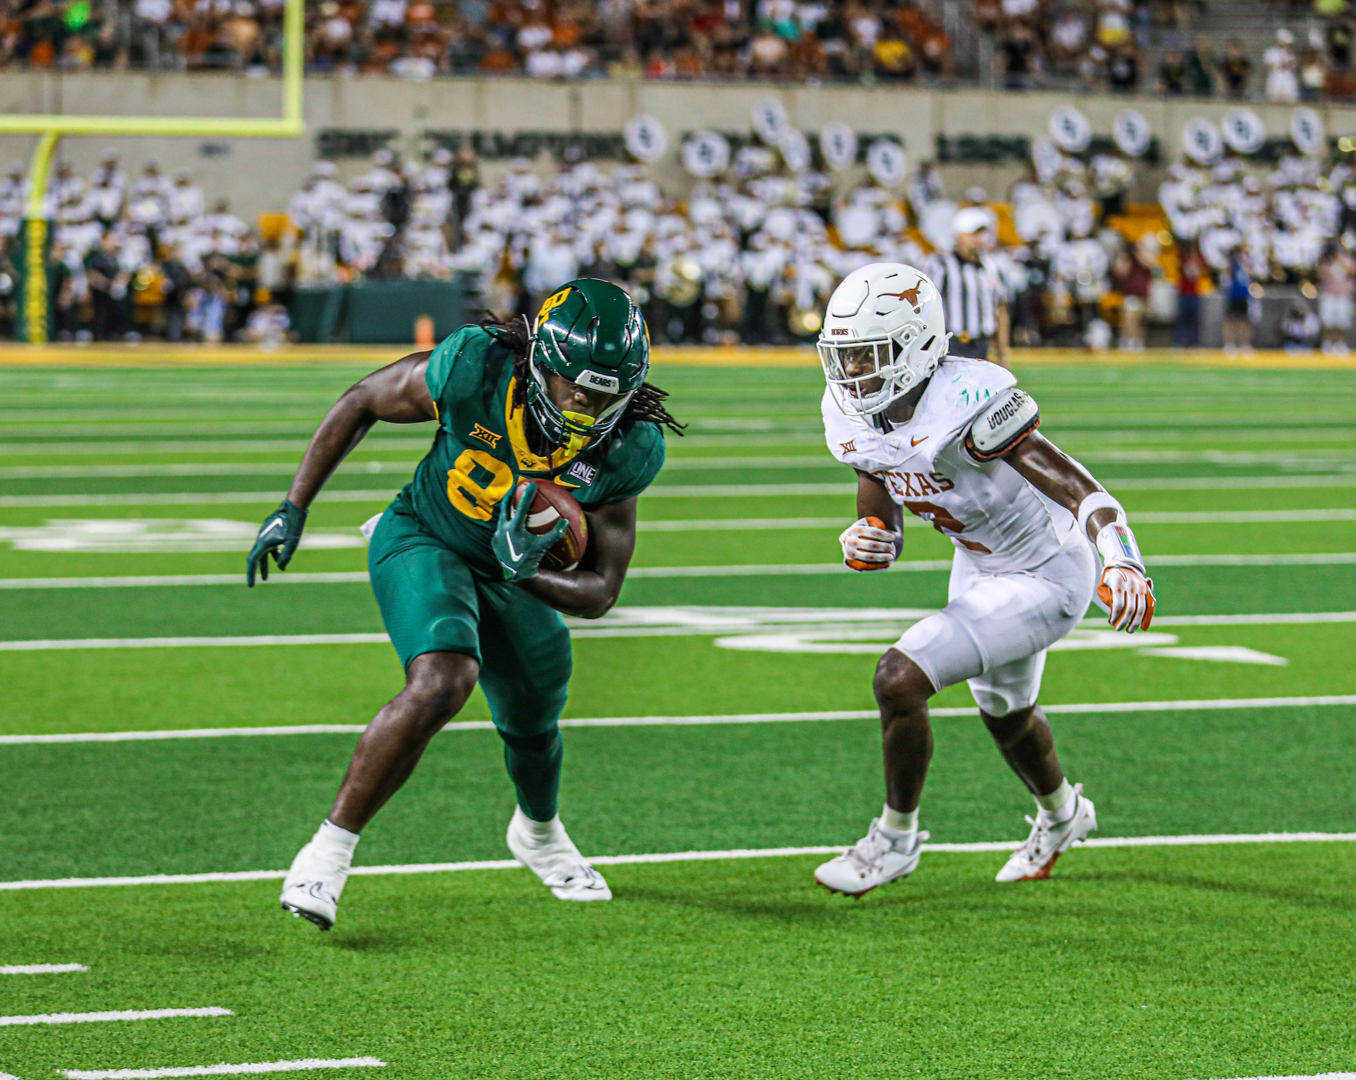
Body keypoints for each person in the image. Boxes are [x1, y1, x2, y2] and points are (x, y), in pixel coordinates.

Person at [247, 279, 682, 930]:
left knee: (536, 715)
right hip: (427, 533)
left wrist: (525, 570)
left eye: (605, 393)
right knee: (445, 676)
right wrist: (294, 506)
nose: (587, 406)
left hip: (509, 572)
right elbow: (363, 399)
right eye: (575, 389)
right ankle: (328, 851)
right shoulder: (477, 365)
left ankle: (537, 835)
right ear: (540, 365)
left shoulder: (628, 446)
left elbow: (601, 592)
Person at [809, 263, 1156, 896]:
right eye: (847, 357)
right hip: (979, 562)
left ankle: (895, 839)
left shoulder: (970, 401)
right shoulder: (853, 412)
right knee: (1007, 715)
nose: (853, 374)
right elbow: (878, 482)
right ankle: (1063, 817)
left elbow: (1081, 487)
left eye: (869, 357)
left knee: (899, 678)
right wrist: (871, 535)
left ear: (915, 348)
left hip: (1049, 572)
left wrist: (1123, 557)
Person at [927, 207, 1009, 366]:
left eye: (982, 233)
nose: (979, 238)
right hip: (949, 343)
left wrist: (1002, 352)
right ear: (959, 234)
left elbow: (1000, 308)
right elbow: (925, 305)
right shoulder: (940, 264)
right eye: (973, 233)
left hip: (981, 343)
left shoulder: (991, 266)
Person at [1318, 243, 1356, 355]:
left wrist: (1341, 261)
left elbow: (1351, 271)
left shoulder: (1347, 261)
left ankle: (1338, 342)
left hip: (1343, 295)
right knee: (1328, 321)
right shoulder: (1326, 262)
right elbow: (1324, 274)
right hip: (1329, 295)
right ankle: (1327, 342)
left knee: (1341, 322)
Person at [1174, 240, 1209, 348]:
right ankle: (1179, 342)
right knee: (1182, 320)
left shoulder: (1200, 259)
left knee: (1195, 321)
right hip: (1183, 294)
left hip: (1195, 294)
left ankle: (1195, 342)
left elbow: (1204, 271)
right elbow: (1179, 271)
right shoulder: (1182, 258)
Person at [1221, 248, 1253, 355]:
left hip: (1243, 296)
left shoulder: (1246, 265)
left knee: (1244, 321)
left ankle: (1245, 344)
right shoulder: (1232, 265)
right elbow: (1225, 276)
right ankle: (1229, 344)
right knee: (1231, 321)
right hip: (1233, 296)